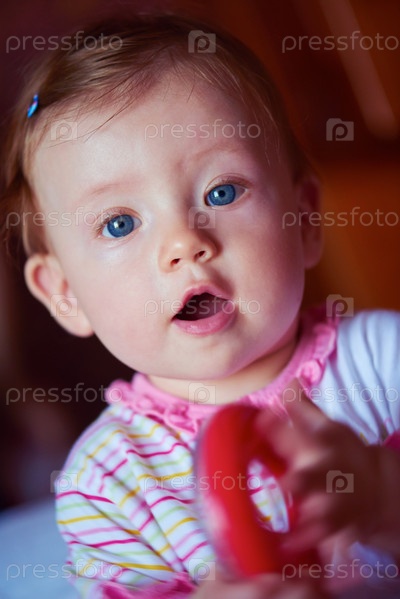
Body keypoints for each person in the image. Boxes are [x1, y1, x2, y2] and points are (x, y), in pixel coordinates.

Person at [1, 11, 399, 598]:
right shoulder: (108, 486)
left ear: (305, 219)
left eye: (222, 191)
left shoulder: (385, 364)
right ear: (65, 294)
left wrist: (384, 498)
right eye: (119, 223)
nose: (184, 243)